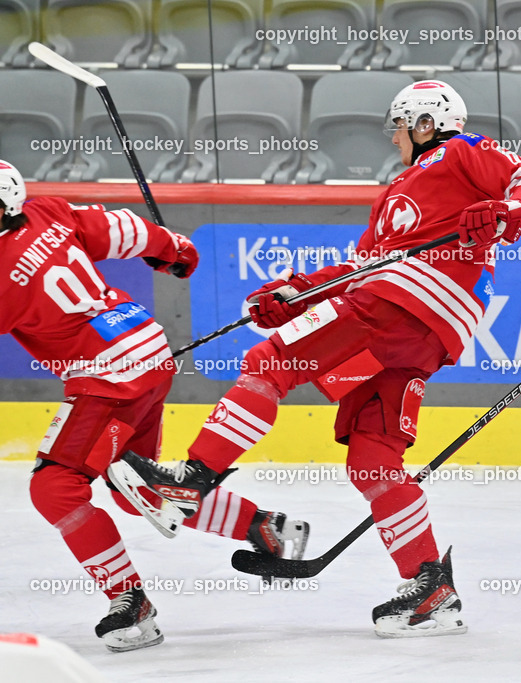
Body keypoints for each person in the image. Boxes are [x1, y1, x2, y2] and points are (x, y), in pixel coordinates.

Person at [110, 80, 521, 638]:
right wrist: (296, 293)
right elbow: (360, 269)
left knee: (269, 365)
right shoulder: (396, 194)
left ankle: (192, 479)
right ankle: (430, 588)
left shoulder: (464, 151)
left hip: (401, 302)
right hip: (424, 333)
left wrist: (509, 212)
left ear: (426, 124)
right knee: (372, 457)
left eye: (401, 127)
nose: (395, 138)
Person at [0, 160, 309, 652]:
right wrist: (173, 248)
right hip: (145, 346)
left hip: (107, 375)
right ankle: (264, 526)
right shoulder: (48, 212)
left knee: (55, 487)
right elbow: (123, 228)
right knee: (136, 489)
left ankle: (131, 604)